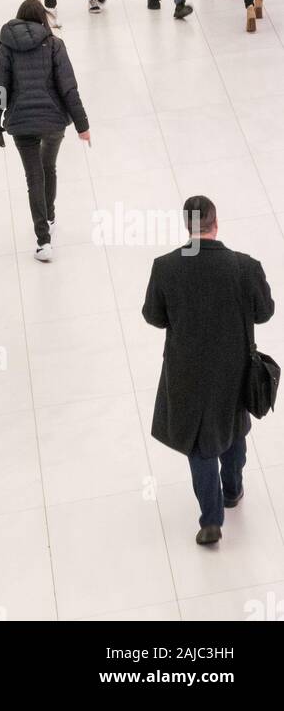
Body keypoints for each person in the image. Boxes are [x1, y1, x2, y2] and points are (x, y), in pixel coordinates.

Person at [142, 194, 274, 545]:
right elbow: (264, 312)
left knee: (201, 445)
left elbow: (153, 316)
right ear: (216, 223)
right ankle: (233, 490)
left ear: (188, 226)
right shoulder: (245, 266)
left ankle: (211, 521)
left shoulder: (166, 266)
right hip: (234, 371)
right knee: (233, 431)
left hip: (187, 372)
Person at [0, 0, 89, 258]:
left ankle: (43, 241)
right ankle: (50, 216)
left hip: (21, 124)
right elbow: (68, 88)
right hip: (53, 121)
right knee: (48, 167)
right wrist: (82, 124)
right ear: (42, 19)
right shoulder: (55, 44)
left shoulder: (6, 48)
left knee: (34, 177)